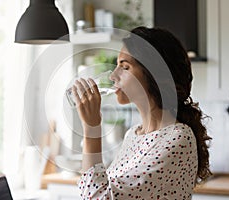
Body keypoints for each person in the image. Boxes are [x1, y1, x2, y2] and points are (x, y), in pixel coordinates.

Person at [72, 26, 212, 199]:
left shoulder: (178, 137)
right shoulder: (133, 135)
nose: (113, 76)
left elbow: (99, 197)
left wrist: (91, 129)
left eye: (125, 67)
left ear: (153, 73)